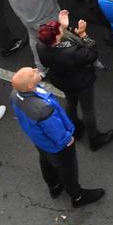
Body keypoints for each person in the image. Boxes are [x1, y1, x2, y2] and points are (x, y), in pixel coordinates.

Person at [9, 65, 104, 209]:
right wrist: (68, 139)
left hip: (40, 141)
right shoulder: (42, 109)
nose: (36, 70)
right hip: (58, 146)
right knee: (68, 169)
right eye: (32, 73)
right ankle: (77, 196)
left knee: (46, 160)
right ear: (29, 85)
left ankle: (54, 186)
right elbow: (55, 130)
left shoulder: (15, 95)